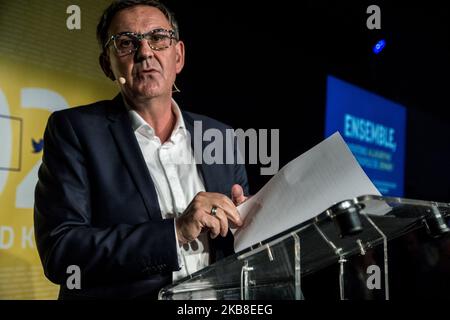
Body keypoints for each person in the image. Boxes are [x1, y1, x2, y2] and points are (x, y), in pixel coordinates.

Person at [34, 0, 249, 299]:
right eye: (125, 43)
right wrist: (176, 231)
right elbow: (61, 251)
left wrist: (251, 220)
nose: (145, 52)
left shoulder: (220, 135)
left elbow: (240, 249)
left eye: (158, 38)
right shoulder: (74, 130)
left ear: (179, 56)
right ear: (107, 65)